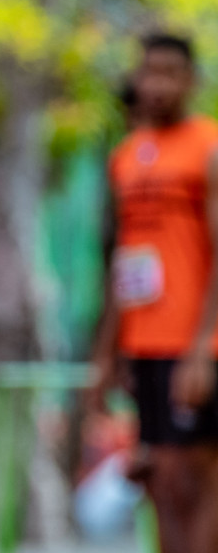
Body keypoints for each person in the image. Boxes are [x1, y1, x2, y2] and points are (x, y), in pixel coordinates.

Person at [90, 34, 218, 553]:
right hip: (145, 346)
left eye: (170, 72)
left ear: (191, 81)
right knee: (158, 481)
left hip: (195, 347)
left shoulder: (208, 147)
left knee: (197, 476)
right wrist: (107, 355)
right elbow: (123, 264)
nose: (158, 84)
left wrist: (203, 349)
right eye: (149, 72)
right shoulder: (124, 158)